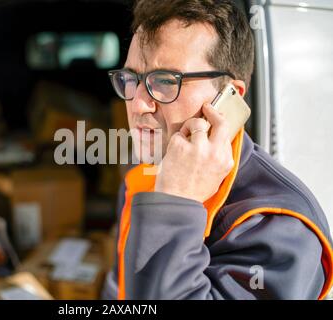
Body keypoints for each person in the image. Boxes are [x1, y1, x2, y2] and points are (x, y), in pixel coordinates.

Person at [102, 0, 333, 300]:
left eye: (164, 81)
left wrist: (176, 202)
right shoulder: (145, 173)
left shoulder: (280, 229)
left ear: (230, 97)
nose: (138, 104)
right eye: (131, 79)